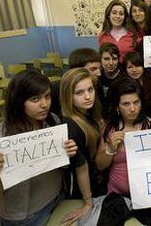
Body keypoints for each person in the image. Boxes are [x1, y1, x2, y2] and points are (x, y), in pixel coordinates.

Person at [0, 70, 77, 225]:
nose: (44, 104)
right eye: (35, 99)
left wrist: (67, 154)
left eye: (47, 96)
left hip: (57, 199)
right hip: (25, 218)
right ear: (18, 101)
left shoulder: (52, 122)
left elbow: (58, 168)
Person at [95, 79, 151, 224]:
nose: (132, 108)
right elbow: (100, 165)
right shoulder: (108, 128)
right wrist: (110, 148)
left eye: (136, 102)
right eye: (126, 104)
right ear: (117, 107)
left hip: (147, 197)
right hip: (117, 198)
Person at [60, 68, 105, 224]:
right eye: (79, 93)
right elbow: (81, 168)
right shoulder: (71, 126)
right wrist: (87, 203)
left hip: (93, 180)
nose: (87, 96)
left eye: (90, 90)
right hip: (80, 189)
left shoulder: (88, 114)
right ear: (68, 96)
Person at [50, 48, 102, 117]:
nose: (99, 73)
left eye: (100, 68)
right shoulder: (56, 90)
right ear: (77, 70)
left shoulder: (97, 84)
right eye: (93, 69)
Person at [98, 43, 124, 118]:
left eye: (114, 59)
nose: (111, 63)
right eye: (106, 59)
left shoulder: (124, 75)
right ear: (100, 59)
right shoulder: (97, 75)